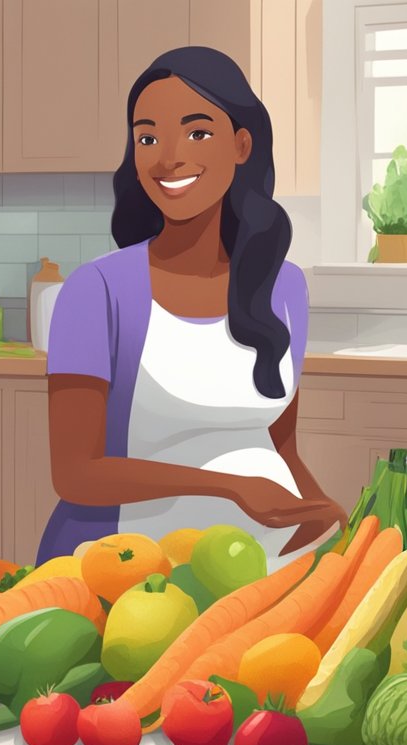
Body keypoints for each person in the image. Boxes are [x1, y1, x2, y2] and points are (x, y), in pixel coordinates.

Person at [37, 46, 345, 571]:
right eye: (147, 136)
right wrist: (230, 489)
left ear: (242, 144)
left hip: (266, 562)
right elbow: (75, 473)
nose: (167, 156)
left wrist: (325, 512)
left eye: (197, 132)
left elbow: (279, 446)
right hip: (130, 569)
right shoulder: (97, 292)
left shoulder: (284, 287)